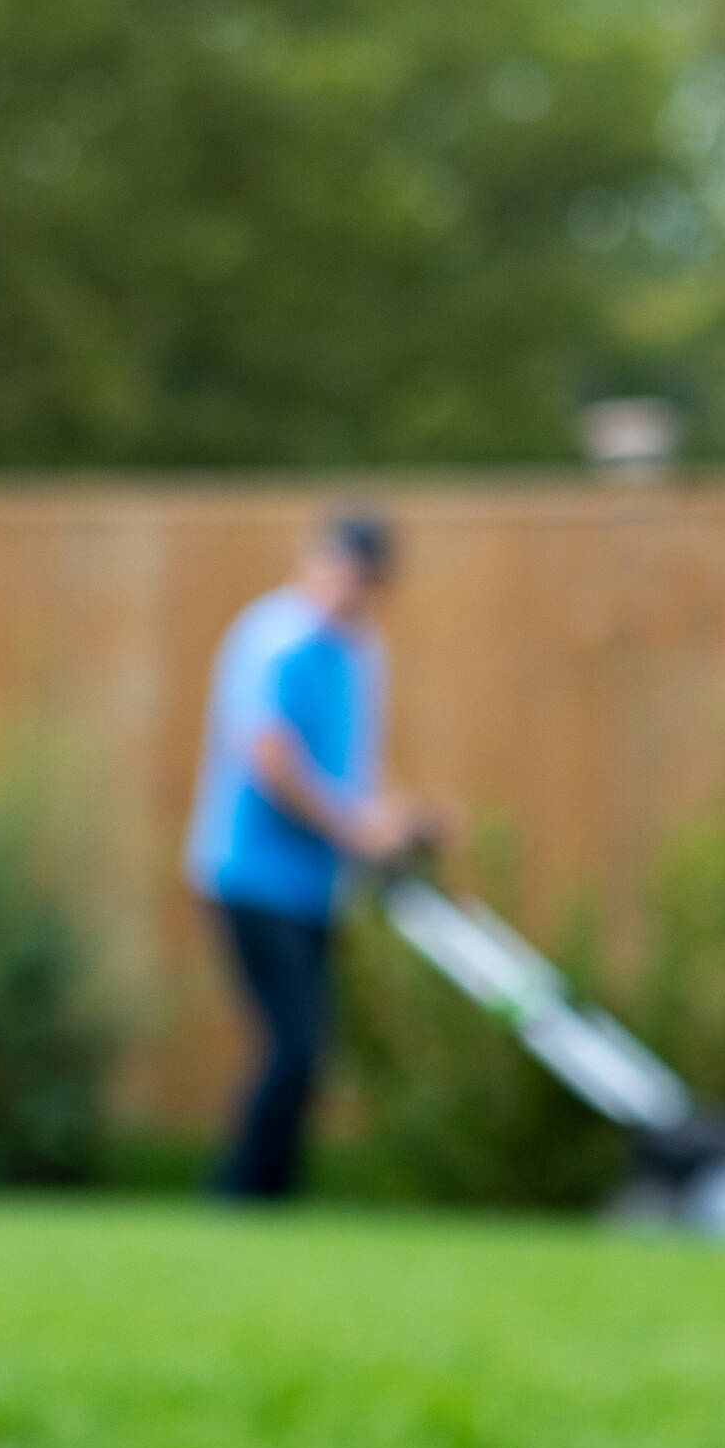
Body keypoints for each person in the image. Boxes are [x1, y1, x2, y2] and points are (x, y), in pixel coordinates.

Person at [182, 512, 436, 1199]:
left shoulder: (361, 652)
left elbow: (347, 764)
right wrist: (353, 827)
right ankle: (240, 1198)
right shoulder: (275, 638)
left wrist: (395, 817)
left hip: (315, 886)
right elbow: (268, 754)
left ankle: (272, 1199)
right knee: (295, 1047)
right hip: (250, 875)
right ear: (320, 562)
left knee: (306, 1054)